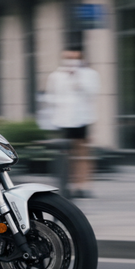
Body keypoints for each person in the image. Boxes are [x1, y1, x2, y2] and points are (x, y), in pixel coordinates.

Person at [45, 47, 100, 198]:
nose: (71, 61)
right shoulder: (56, 76)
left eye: (75, 58)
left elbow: (93, 92)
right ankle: (67, 184)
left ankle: (82, 186)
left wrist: (77, 78)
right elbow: (51, 97)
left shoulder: (89, 74)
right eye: (68, 58)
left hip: (82, 118)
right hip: (62, 119)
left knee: (82, 154)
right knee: (66, 155)